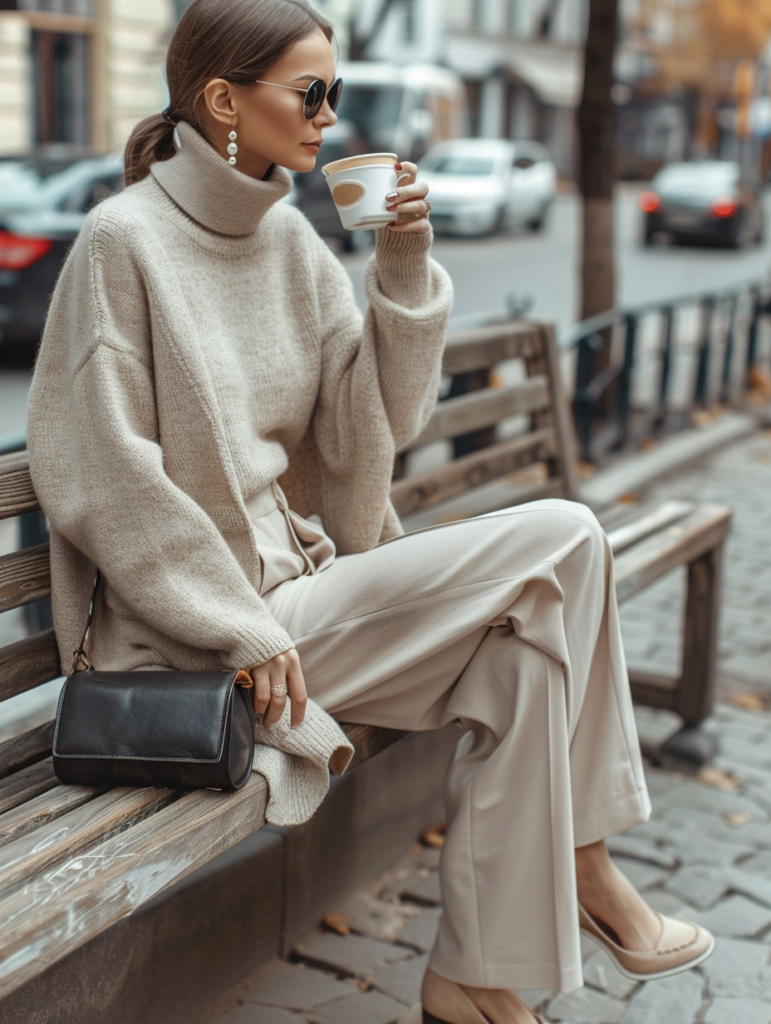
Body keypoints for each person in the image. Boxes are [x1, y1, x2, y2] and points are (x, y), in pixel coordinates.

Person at [27, 1, 714, 1021]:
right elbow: (98, 474)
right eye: (311, 94)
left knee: (521, 660)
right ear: (223, 101)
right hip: (198, 640)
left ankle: (470, 979)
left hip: (299, 608)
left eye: (334, 94)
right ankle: (588, 864)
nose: (329, 119)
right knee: (566, 535)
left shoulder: (294, 246)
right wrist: (236, 620)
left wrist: (401, 266)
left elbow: (367, 437)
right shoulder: (120, 243)